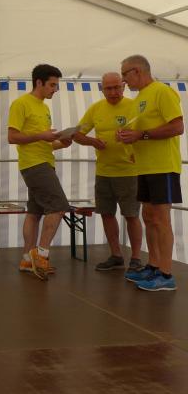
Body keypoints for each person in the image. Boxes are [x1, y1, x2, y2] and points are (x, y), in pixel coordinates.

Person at [117, 55, 184, 291]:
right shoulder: (139, 99)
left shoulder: (162, 92)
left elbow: (178, 126)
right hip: (144, 167)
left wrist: (142, 135)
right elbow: (138, 131)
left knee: (161, 219)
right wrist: (126, 135)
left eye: (125, 74)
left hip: (163, 166)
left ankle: (166, 274)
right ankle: (154, 266)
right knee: (148, 217)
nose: (123, 80)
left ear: (137, 71)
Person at [8, 64, 73, 280]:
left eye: (56, 85)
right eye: (52, 85)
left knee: (34, 213)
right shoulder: (21, 104)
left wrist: (61, 143)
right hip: (34, 165)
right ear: (39, 82)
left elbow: (45, 142)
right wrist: (41, 136)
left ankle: (27, 259)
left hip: (44, 161)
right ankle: (41, 254)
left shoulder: (44, 108)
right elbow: (12, 137)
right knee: (59, 206)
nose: (55, 89)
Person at [73, 72, 143, 273]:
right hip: (103, 172)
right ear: (102, 89)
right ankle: (116, 255)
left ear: (124, 86)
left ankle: (136, 257)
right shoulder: (96, 108)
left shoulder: (135, 106)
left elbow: (147, 134)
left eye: (116, 87)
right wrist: (92, 141)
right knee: (106, 214)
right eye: (108, 88)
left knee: (131, 215)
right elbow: (77, 134)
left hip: (130, 172)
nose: (113, 92)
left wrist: (132, 137)